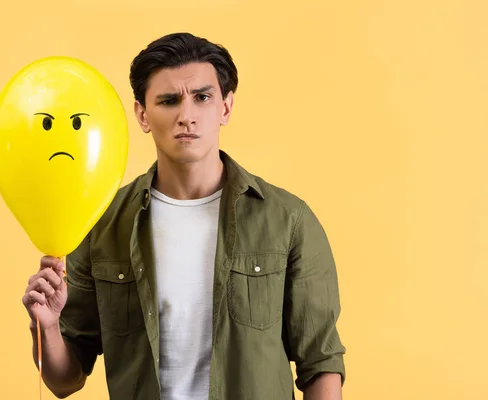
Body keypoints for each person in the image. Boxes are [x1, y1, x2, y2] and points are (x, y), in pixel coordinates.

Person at [22, 32, 346, 400]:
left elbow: (320, 366)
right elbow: (65, 380)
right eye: (169, 100)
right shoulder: (102, 226)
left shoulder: (288, 221)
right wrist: (47, 328)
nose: (186, 116)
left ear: (225, 107)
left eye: (202, 97)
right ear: (142, 115)